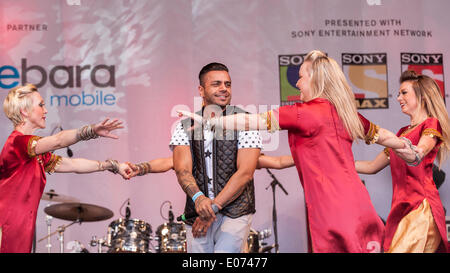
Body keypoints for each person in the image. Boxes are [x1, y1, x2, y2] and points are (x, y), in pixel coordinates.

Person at [177, 50, 414, 253]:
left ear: (314, 80)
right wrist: (405, 146)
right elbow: (381, 135)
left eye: (300, 78)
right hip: (359, 204)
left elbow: (252, 121)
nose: (297, 83)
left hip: (332, 209)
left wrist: (214, 121)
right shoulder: (344, 113)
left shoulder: (305, 112)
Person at [0, 84, 132, 253]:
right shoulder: (17, 143)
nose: (46, 110)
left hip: (20, 227)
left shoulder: (35, 152)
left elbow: (72, 164)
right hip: (7, 225)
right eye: (41, 105)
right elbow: (58, 141)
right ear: (24, 111)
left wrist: (112, 165)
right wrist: (91, 130)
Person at [169, 62, 263, 253]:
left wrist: (213, 208)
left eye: (227, 84)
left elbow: (245, 173)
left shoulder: (245, 121)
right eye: (216, 84)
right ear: (201, 90)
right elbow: (182, 170)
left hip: (235, 213)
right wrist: (199, 199)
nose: (224, 89)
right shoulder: (185, 125)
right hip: (196, 211)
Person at [355, 71, 450, 253]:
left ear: (422, 97)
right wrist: (338, 162)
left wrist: (379, 136)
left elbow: (417, 154)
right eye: (398, 94)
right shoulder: (401, 133)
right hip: (401, 209)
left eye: (404, 93)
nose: (398, 98)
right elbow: (372, 166)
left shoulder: (431, 124)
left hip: (421, 209)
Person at [127, 154, 294, 177]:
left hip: (232, 217)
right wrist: (140, 168)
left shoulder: (240, 154)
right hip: (202, 213)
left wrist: (310, 157)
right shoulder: (197, 152)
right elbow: (169, 162)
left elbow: (277, 162)